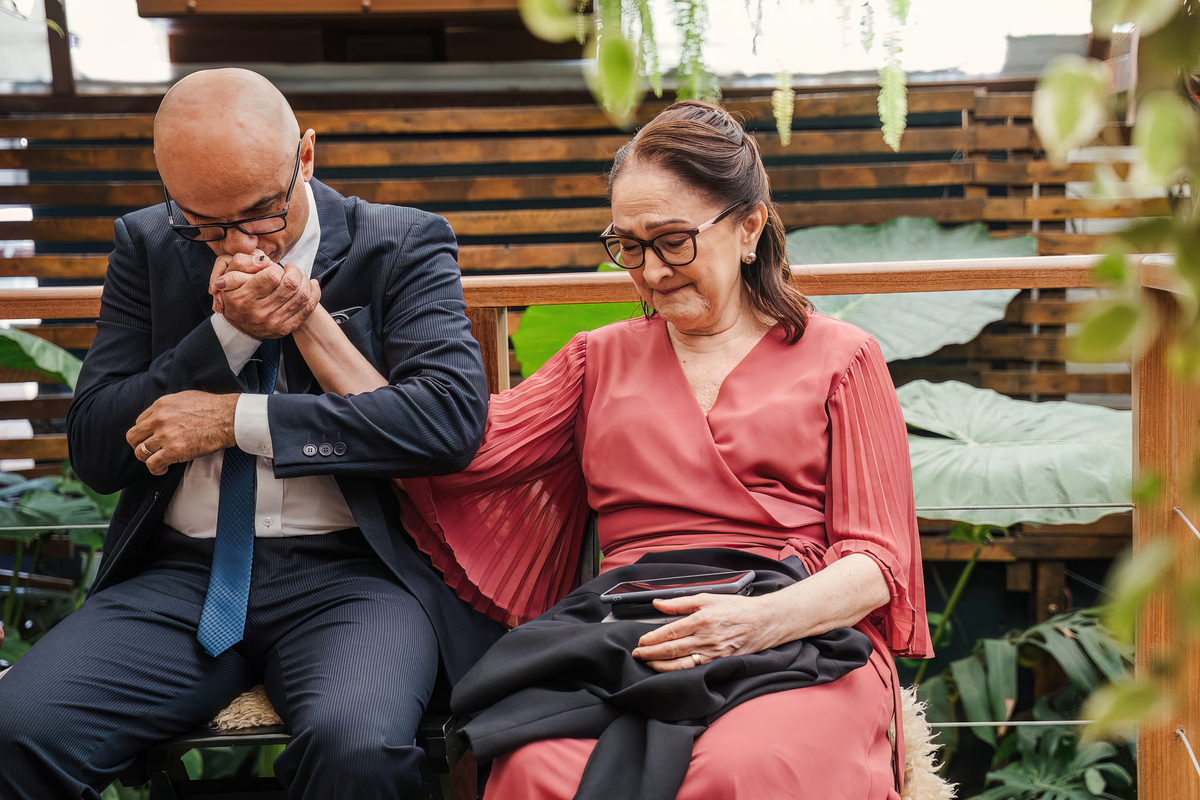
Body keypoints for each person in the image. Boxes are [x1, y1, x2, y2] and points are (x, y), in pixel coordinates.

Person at [233, 100, 934, 798]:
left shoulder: (844, 357)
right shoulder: (595, 361)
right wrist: (306, 319)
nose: (651, 271)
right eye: (628, 246)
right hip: (625, 635)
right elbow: (446, 450)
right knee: (538, 769)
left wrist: (752, 624)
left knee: (744, 772)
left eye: (673, 241)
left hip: (795, 633)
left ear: (748, 227)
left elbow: (878, 562)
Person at [0, 68, 504, 800]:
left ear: (305, 156)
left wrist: (235, 420)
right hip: (178, 579)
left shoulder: (400, 244)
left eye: (260, 215)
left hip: (355, 577)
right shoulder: (147, 245)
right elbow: (98, 451)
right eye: (203, 223)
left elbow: (449, 422)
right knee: (17, 729)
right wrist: (223, 337)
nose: (235, 244)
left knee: (356, 749)